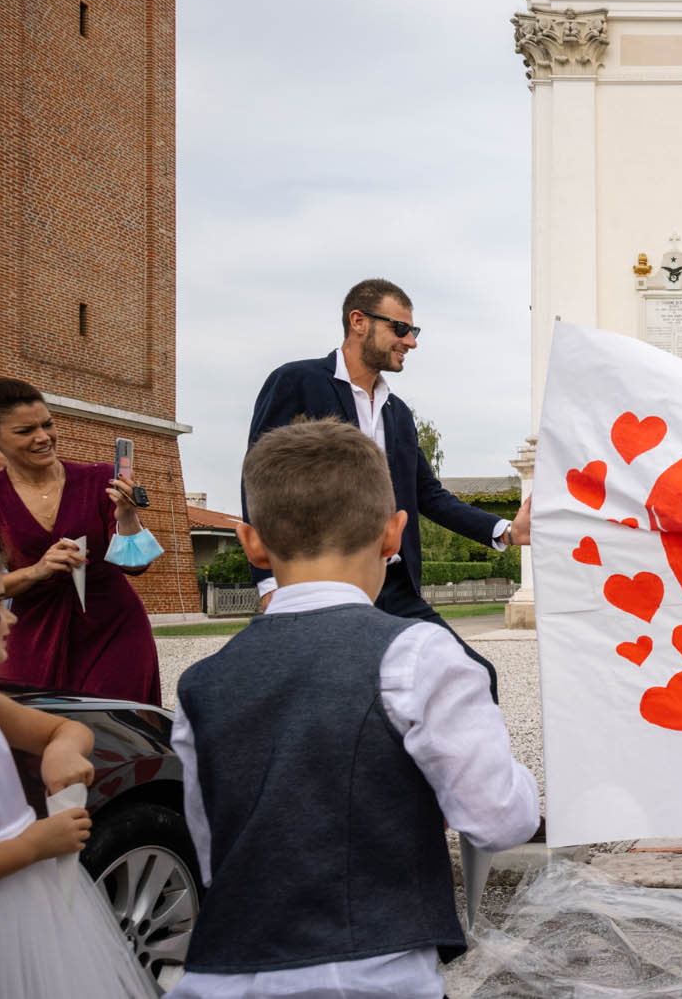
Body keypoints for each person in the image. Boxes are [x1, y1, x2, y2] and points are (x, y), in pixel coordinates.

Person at [170, 420, 538, 998]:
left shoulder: (200, 682)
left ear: (252, 543)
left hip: (222, 971)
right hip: (374, 971)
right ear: (394, 536)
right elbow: (497, 819)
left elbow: (211, 848)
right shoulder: (418, 654)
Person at [245, 277, 531, 697]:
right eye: (400, 329)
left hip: (394, 585)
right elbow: (260, 479)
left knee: (472, 678)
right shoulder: (297, 381)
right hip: (325, 580)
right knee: (340, 697)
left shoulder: (398, 414)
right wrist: (268, 582)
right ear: (358, 321)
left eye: (414, 332)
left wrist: (505, 531)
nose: (411, 342)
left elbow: (428, 496)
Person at [0, 534, 156, 997]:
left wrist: (60, 750)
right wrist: (32, 846)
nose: (12, 617)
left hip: (29, 903)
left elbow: (64, 730)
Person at [0, 378, 161, 704]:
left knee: (113, 737)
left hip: (113, 628)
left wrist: (127, 517)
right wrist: (37, 570)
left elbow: (136, 566)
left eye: (47, 424)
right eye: (24, 431)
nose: (43, 438)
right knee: (33, 734)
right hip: (31, 631)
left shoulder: (98, 479)